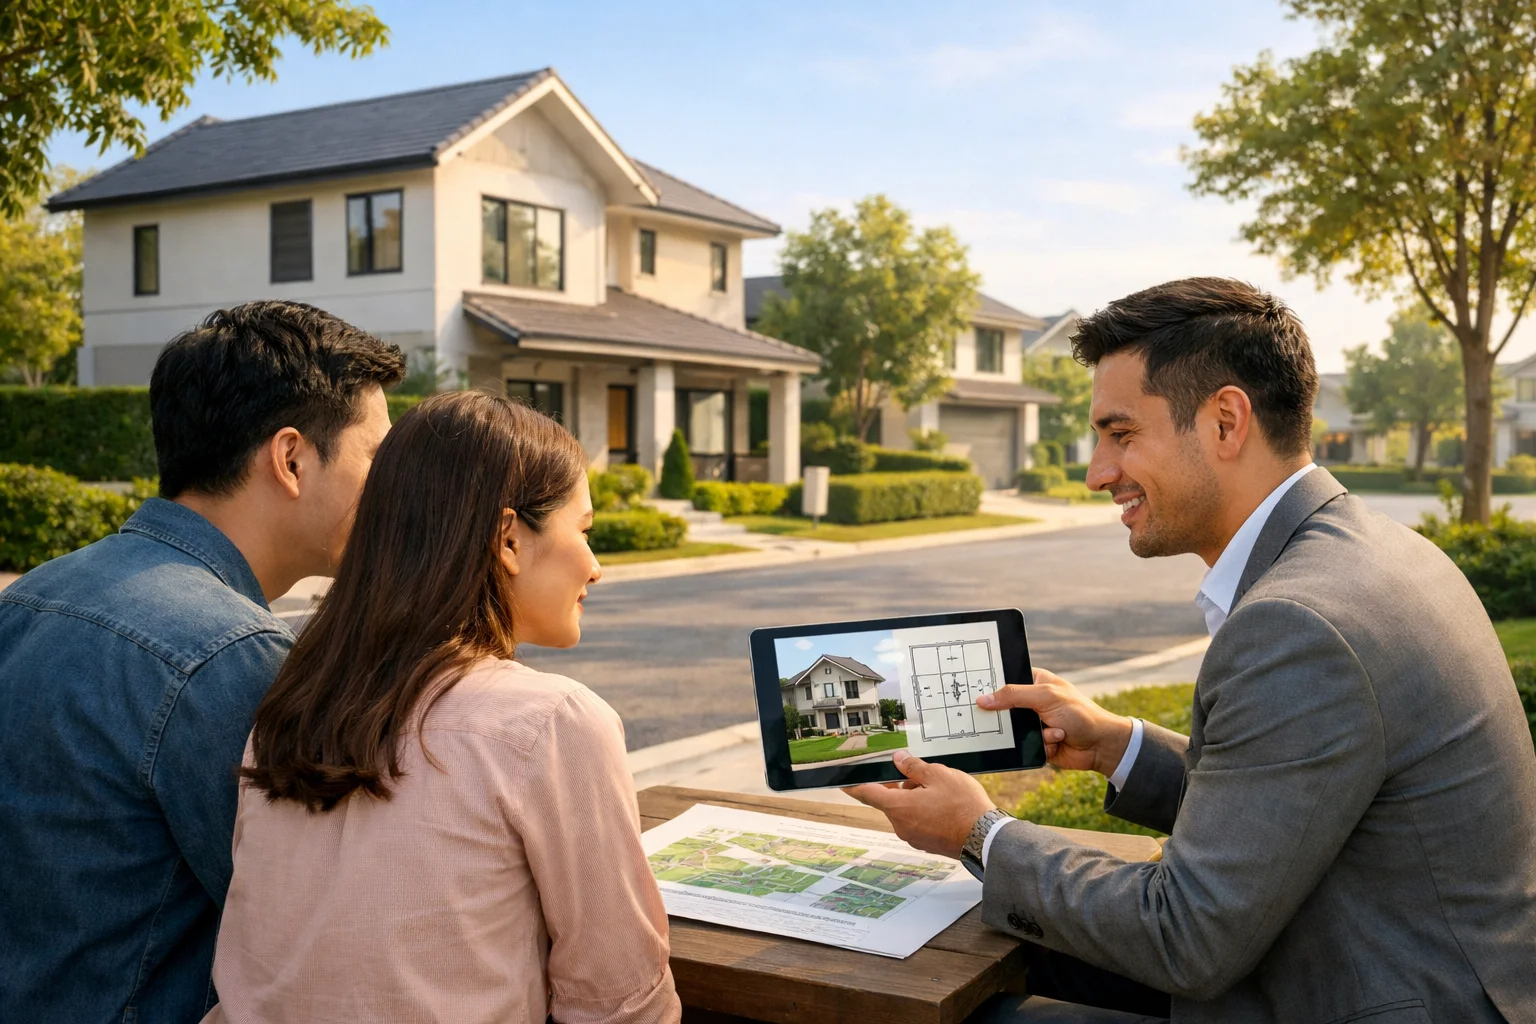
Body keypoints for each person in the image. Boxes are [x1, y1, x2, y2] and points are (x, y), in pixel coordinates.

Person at [849, 278, 1536, 1023]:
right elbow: (1280, 807)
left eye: (1121, 434)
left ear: (1225, 422)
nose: (1097, 473)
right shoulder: (1375, 550)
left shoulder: (1298, 624)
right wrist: (1119, 746)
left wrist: (981, 834)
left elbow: (1186, 936)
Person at [203, 391, 679, 1024]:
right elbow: (621, 1003)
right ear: (509, 539)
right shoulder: (551, 723)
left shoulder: (294, 701)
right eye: (584, 531)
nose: (594, 568)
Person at [0, 301, 404, 1023]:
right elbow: (319, 930)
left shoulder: (33, 595)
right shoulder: (231, 656)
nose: (391, 489)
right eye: (376, 456)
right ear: (291, 459)